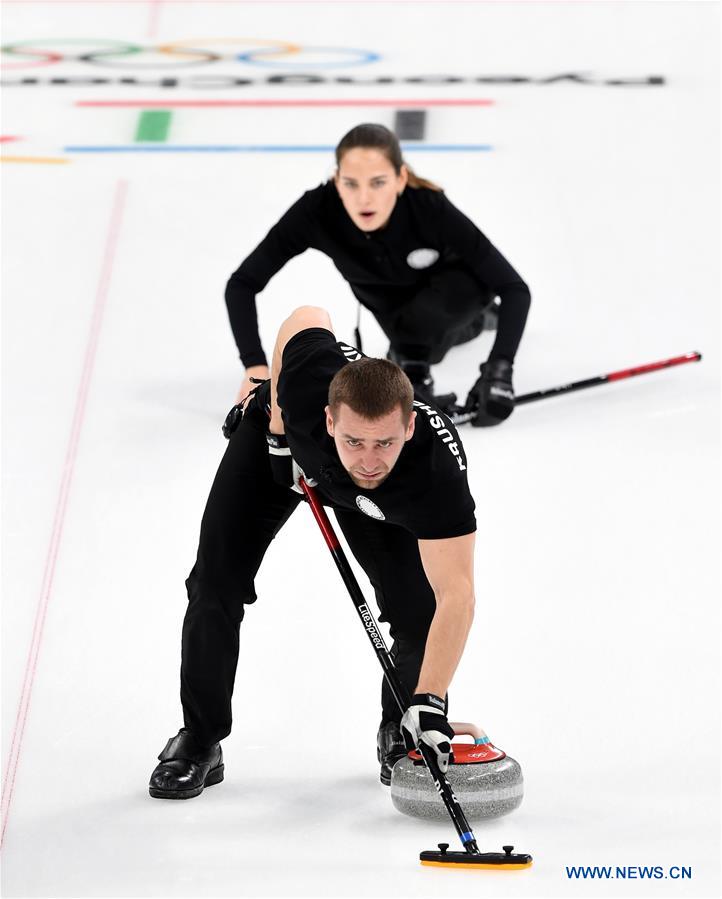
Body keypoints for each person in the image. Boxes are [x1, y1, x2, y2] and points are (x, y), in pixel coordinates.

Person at [149, 305, 477, 798]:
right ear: (329, 419)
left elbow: (457, 595)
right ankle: (200, 738)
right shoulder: (307, 387)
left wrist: (431, 699)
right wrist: (280, 433)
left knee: (417, 609)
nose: (369, 459)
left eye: (385, 442)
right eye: (355, 440)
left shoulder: (434, 471)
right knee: (215, 584)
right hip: (280, 450)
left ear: (409, 428)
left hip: (369, 497)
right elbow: (302, 318)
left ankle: (404, 726)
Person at [226, 123, 531, 427]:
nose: (364, 199)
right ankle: (439, 341)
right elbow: (241, 284)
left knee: (454, 304)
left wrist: (499, 371)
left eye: (378, 183)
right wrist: (255, 371)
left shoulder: (428, 207)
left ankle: (474, 321)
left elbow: (515, 288)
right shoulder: (317, 211)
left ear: (400, 180)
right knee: (430, 345)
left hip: (453, 296)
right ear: (336, 180)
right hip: (395, 318)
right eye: (351, 184)